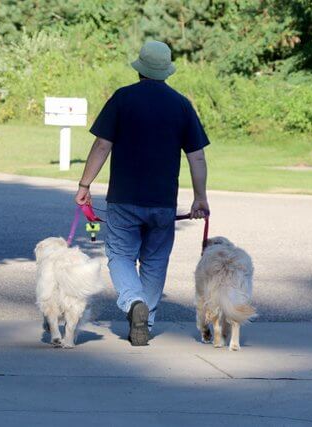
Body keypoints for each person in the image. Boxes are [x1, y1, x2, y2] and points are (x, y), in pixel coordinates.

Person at [75, 40, 210, 346]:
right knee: (155, 261)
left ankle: (133, 300)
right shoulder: (181, 104)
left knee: (120, 255)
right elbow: (197, 156)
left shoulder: (123, 98)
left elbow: (102, 145)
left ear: (140, 69)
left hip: (124, 198)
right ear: (166, 71)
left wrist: (85, 185)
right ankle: (144, 321)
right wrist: (200, 197)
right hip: (163, 202)